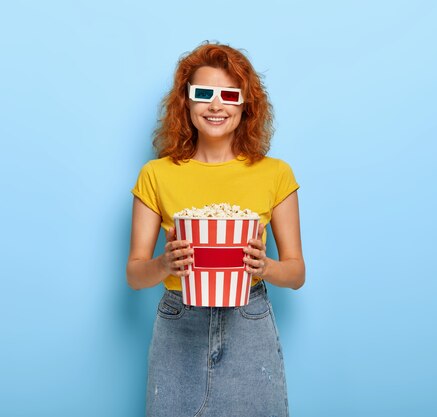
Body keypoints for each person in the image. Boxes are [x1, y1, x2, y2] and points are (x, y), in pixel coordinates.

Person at [127, 42, 305, 417]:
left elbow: (297, 273)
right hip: (179, 321)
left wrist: (265, 267)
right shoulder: (156, 174)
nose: (216, 105)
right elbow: (134, 274)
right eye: (203, 93)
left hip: (249, 320)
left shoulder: (276, 174)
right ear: (186, 103)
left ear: (246, 105)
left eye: (229, 94)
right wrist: (165, 264)